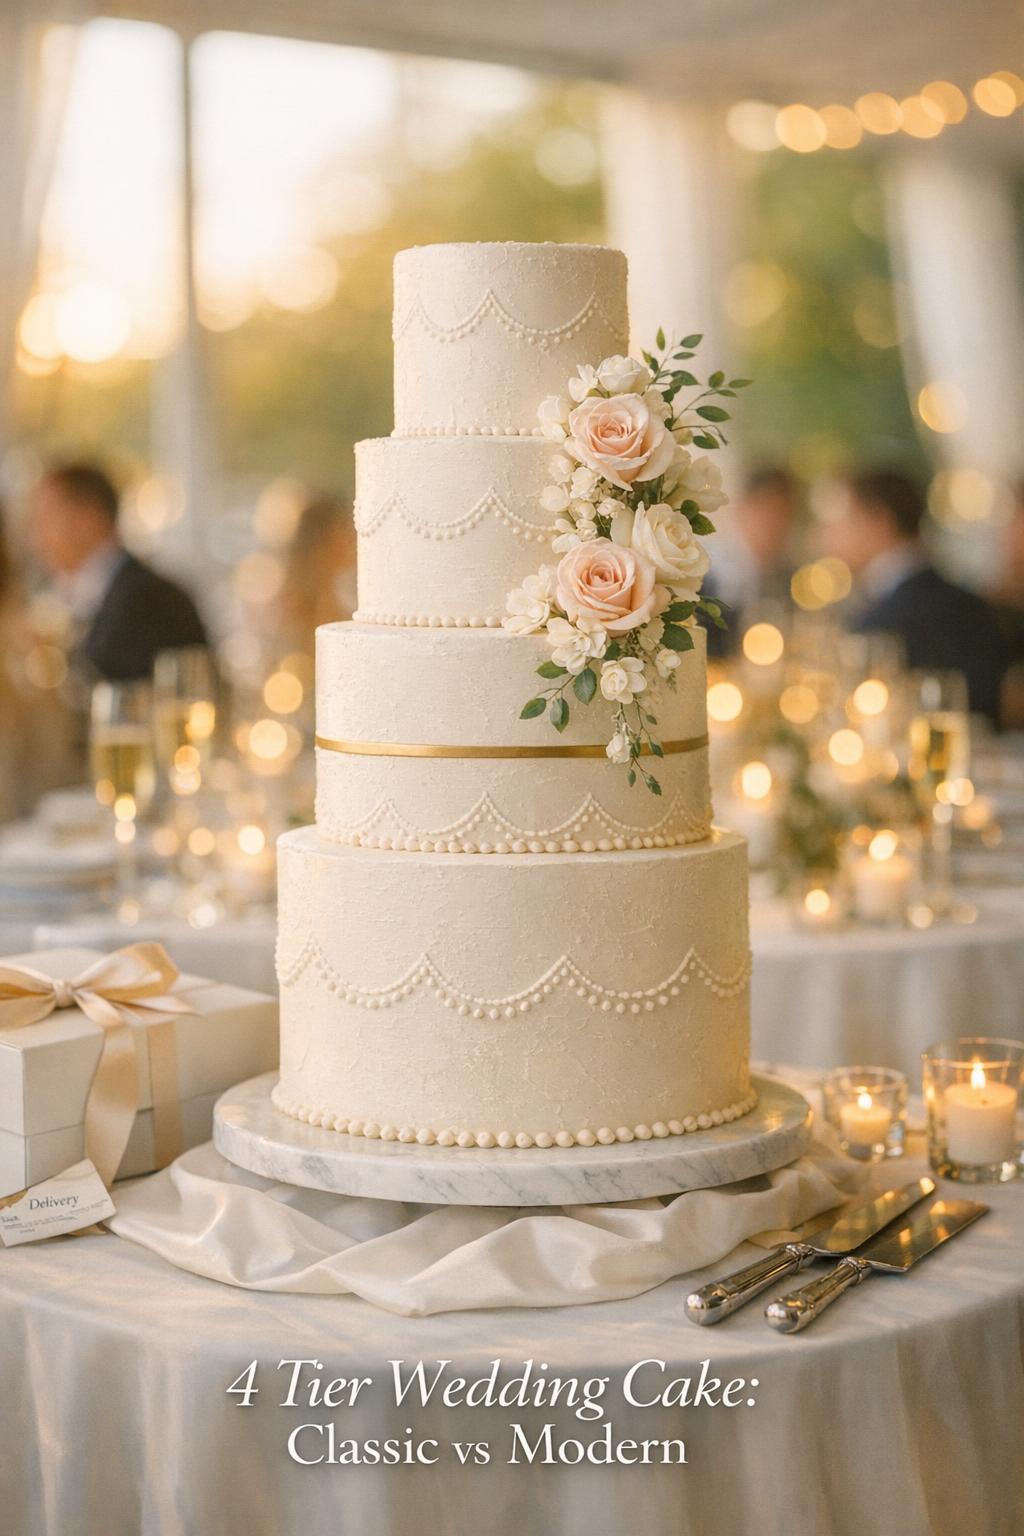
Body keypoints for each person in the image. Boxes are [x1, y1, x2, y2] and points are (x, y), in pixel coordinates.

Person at [827, 467, 1007, 722]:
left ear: (879, 521)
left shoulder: (883, 623)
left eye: (841, 520)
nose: (829, 533)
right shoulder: (971, 603)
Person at [29, 461, 208, 683]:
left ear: (88, 518)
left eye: (45, 518)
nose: (36, 535)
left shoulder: (149, 600)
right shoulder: (100, 595)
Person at [703, 466, 799, 654]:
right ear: (744, 508)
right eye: (767, 511)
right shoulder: (709, 571)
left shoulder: (790, 575)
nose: (774, 524)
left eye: (783, 514)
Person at [276, 495, 356, 655]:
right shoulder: (295, 606)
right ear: (325, 539)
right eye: (343, 528)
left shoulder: (344, 596)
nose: (352, 538)